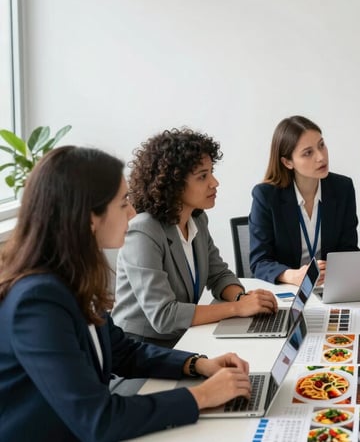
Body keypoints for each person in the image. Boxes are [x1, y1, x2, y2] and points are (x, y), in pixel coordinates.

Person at [0, 146, 256, 441]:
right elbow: (99, 419)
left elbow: (123, 350)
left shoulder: (73, 277)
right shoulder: (37, 302)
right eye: (123, 203)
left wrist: (198, 364)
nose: (133, 212)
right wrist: (201, 397)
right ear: (89, 218)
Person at [112, 129, 277, 347]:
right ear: (173, 184)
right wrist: (237, 308)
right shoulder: (143, 231)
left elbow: (219, 275)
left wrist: (241, 298)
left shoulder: (197, 220)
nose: (214, 182)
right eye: (203, 176)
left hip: (185, 336)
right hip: (142, 348)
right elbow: (164, 316)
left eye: (211, 172)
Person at [249, 115, 359, 285]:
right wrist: (292, 276)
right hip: (287, 290)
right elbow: (259, 262)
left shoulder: (342, 188)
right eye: (308, 153)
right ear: (287, 162)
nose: (321, 157)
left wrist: (335, 269)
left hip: (328, 288)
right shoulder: (266, 196)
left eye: (321, 145)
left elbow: (349, 249)